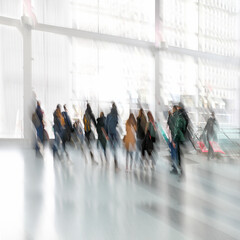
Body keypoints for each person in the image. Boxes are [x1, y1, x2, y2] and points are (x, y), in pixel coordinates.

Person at [171, 105, 187, 175]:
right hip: (182, 137)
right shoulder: (184, 117)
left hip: (178, 138)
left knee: (177, 154)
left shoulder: (178, 118)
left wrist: (174, 140)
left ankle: (178, 169)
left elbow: (176, 129)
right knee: (179, 154)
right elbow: (184, 128)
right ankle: (180, 168)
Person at [106, 102, 119, 169]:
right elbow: (116, 123)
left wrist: (106, 134)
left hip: (109, 133)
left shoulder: (108, 115)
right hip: (114, 132)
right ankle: (115, 161)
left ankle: (109, 161)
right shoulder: (116, 115)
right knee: (115, 147)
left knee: (110, 147)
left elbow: (106, 124)